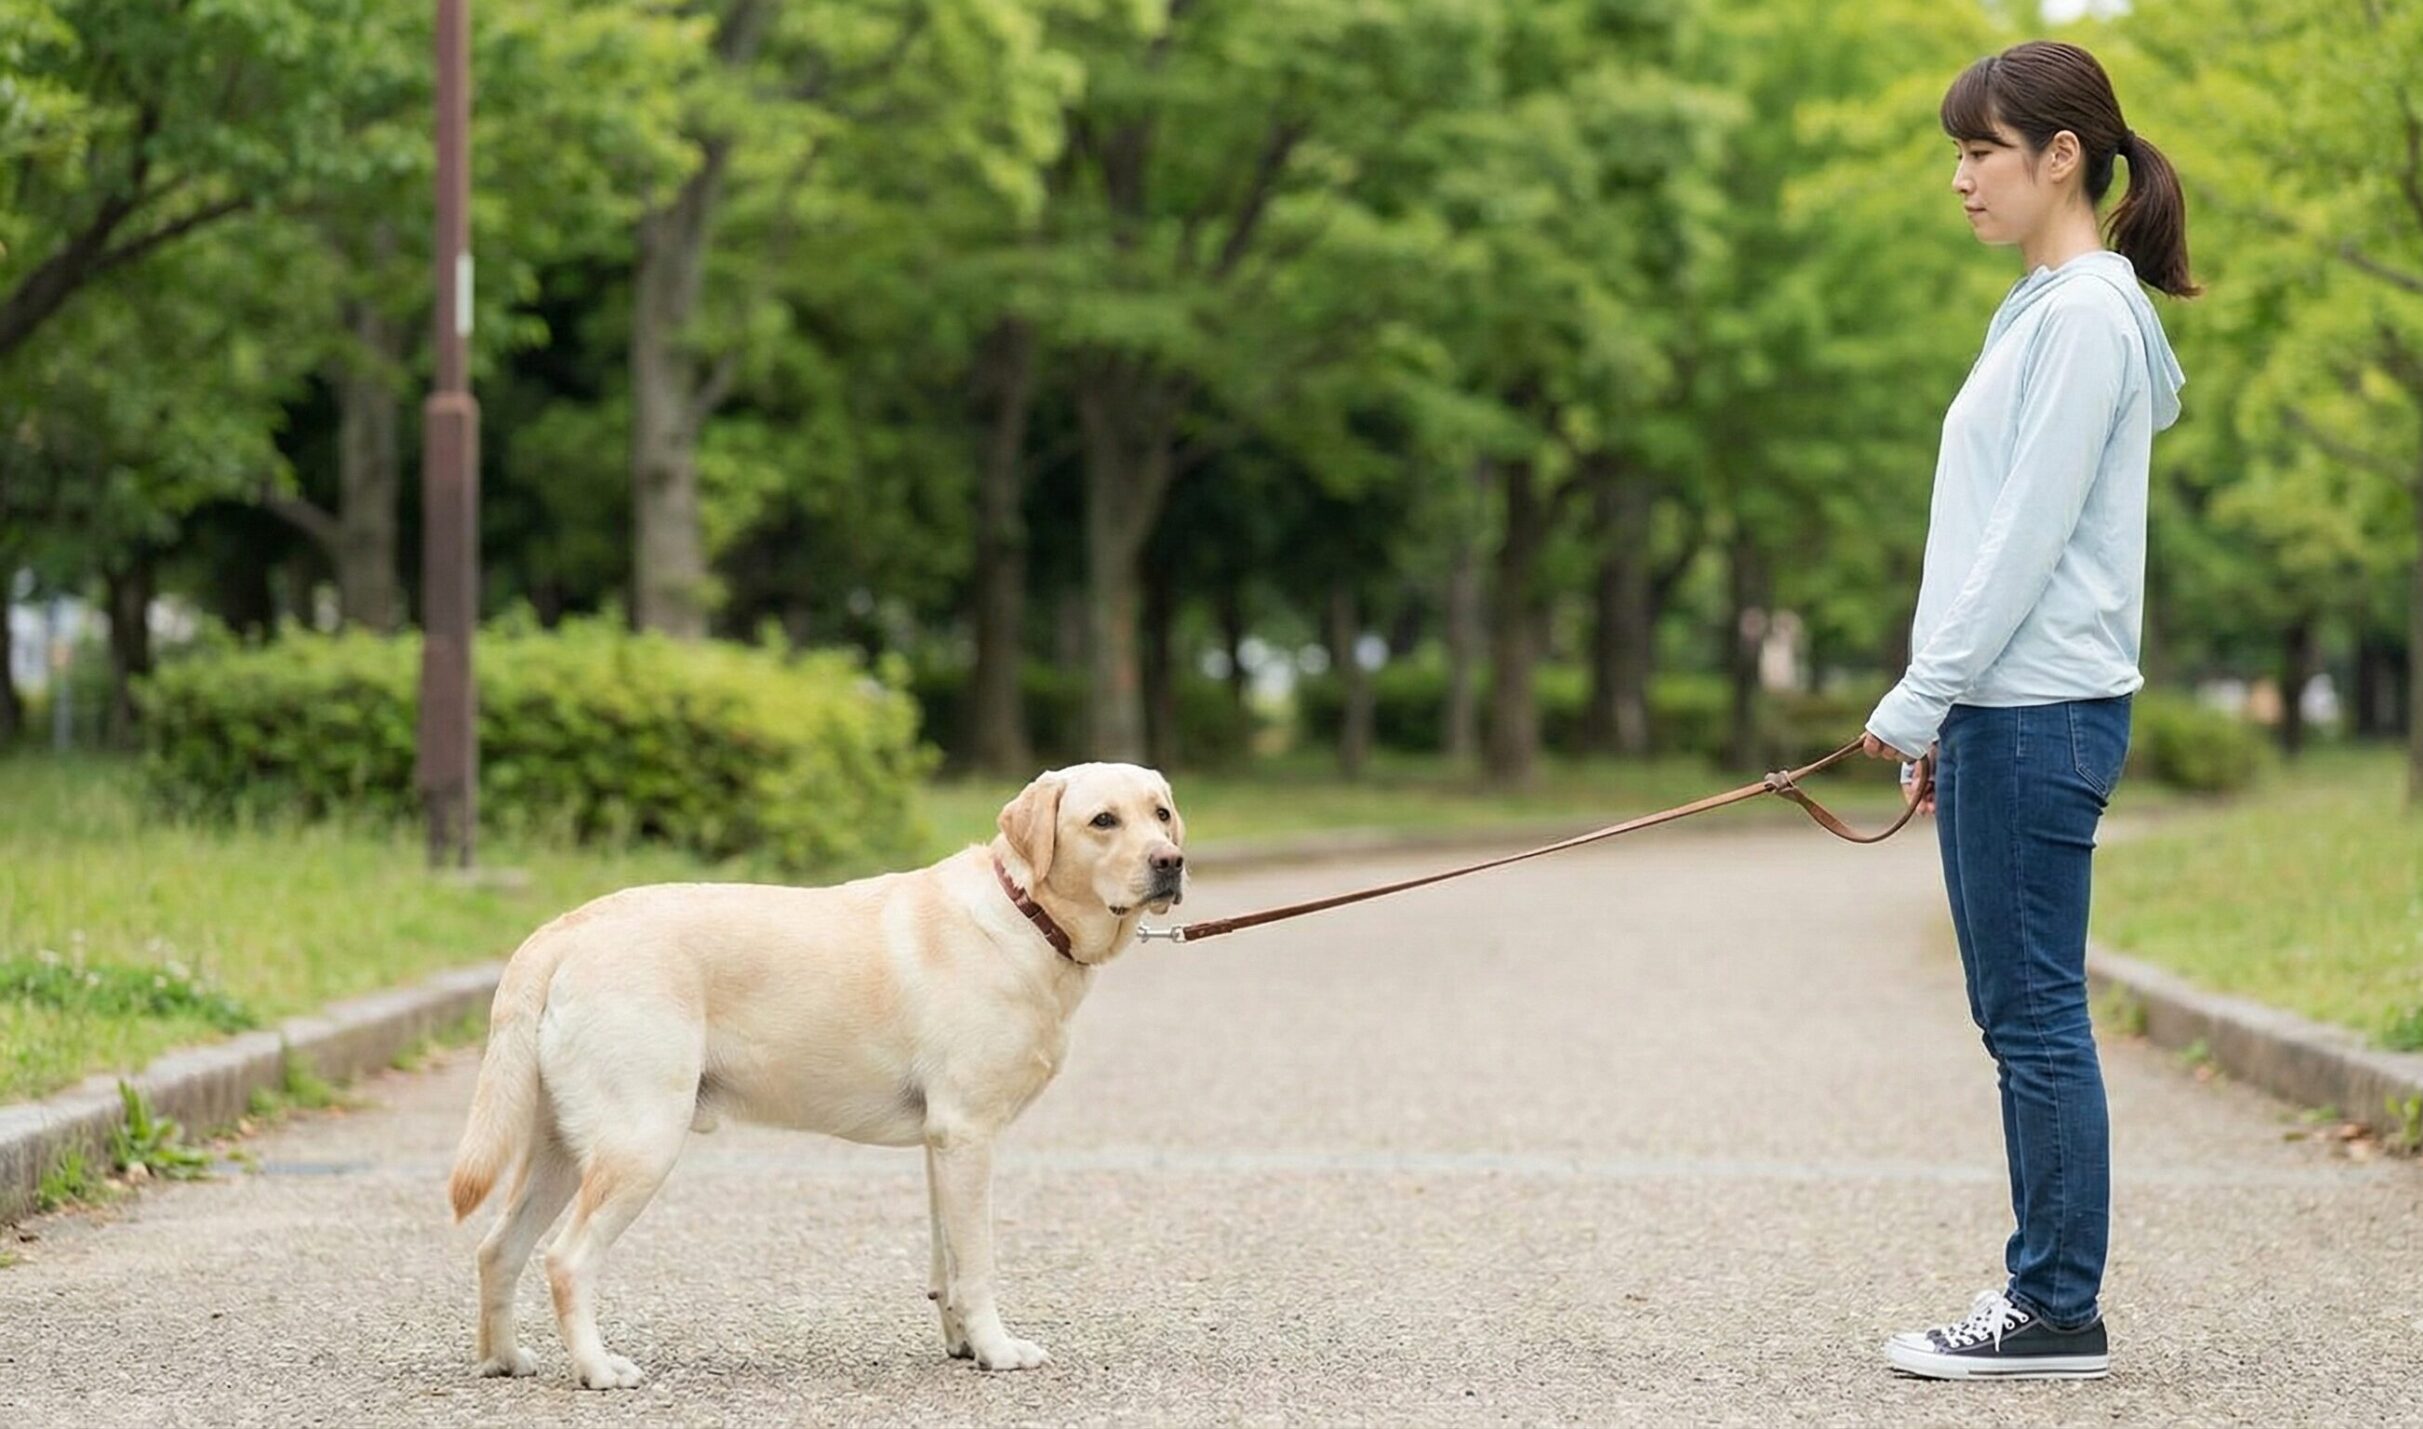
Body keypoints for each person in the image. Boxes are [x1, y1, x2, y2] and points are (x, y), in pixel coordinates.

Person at [1859, 39, 2195, 1381]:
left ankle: (2055, 1304)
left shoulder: (2087, 320)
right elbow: (1988, 538)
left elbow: (2026, 541)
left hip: (2037, 708)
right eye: (1958, 152)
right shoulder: (2044, 313)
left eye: (1982, 150)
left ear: (2062, 156)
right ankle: (2051, 1293)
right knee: (2023, 1012)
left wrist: (1922, 693)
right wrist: (1946, 712)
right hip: (2008, 711)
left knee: (2036, 1013)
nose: (1961, 178)